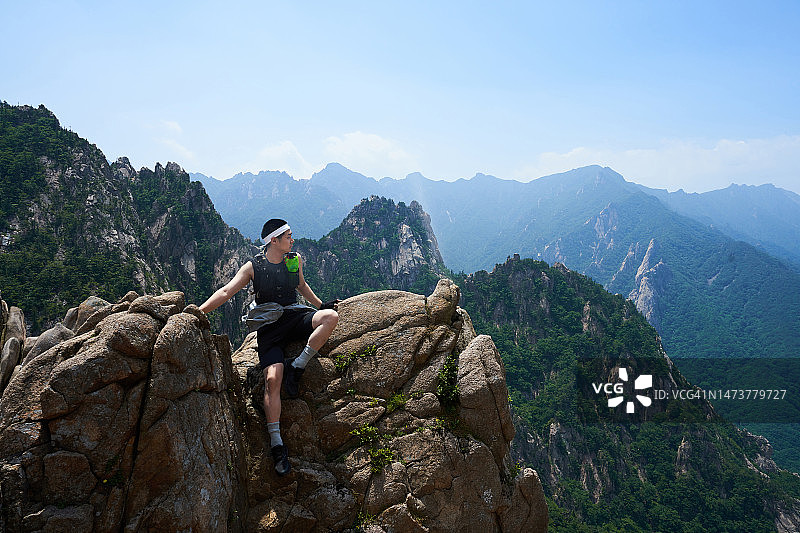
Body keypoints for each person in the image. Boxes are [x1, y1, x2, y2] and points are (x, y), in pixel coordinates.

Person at [199, 219, 339, 476]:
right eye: (288, 236)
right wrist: (199, 312)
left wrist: (321, 306)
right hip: (270, 328)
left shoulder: (292, 260)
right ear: (273, 240)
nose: (292, 240)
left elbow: (301, 286)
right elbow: (227, 291)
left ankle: (298, 365)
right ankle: (276, 443)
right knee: (273, 380)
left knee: (331, 318)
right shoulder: (254, 266)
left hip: (294, 316)